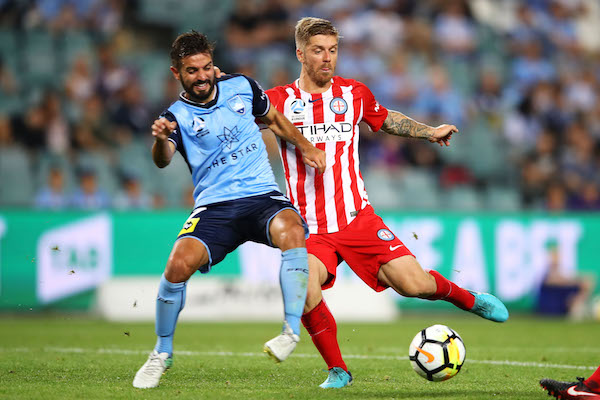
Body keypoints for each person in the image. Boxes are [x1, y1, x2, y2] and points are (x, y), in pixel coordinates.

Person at [261, 17, 509, 388]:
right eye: (318, 51)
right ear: (300, 53)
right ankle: (338, 369)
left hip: (356, 217)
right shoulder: (279, 101)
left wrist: (428, 131)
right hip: (309, 226)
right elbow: (243, 120)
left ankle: (468, 299)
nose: (327, 58)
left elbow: (385, 119)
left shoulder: (353, 93)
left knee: (415, 285)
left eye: (332, 50)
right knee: (303, 286)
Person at [132, 31, 326, 389]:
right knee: (177, 264)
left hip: (260, 195)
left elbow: (276, 119)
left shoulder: (242, 87)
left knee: (292, 231)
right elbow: (163, 162)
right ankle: (161, 352)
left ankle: (289, 331)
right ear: (177, 73)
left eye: (206, 67)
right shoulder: (174, 116)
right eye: (192, 71)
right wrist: (160, 140)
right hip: (215, 207)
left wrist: (306, 146)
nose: (202, 76)